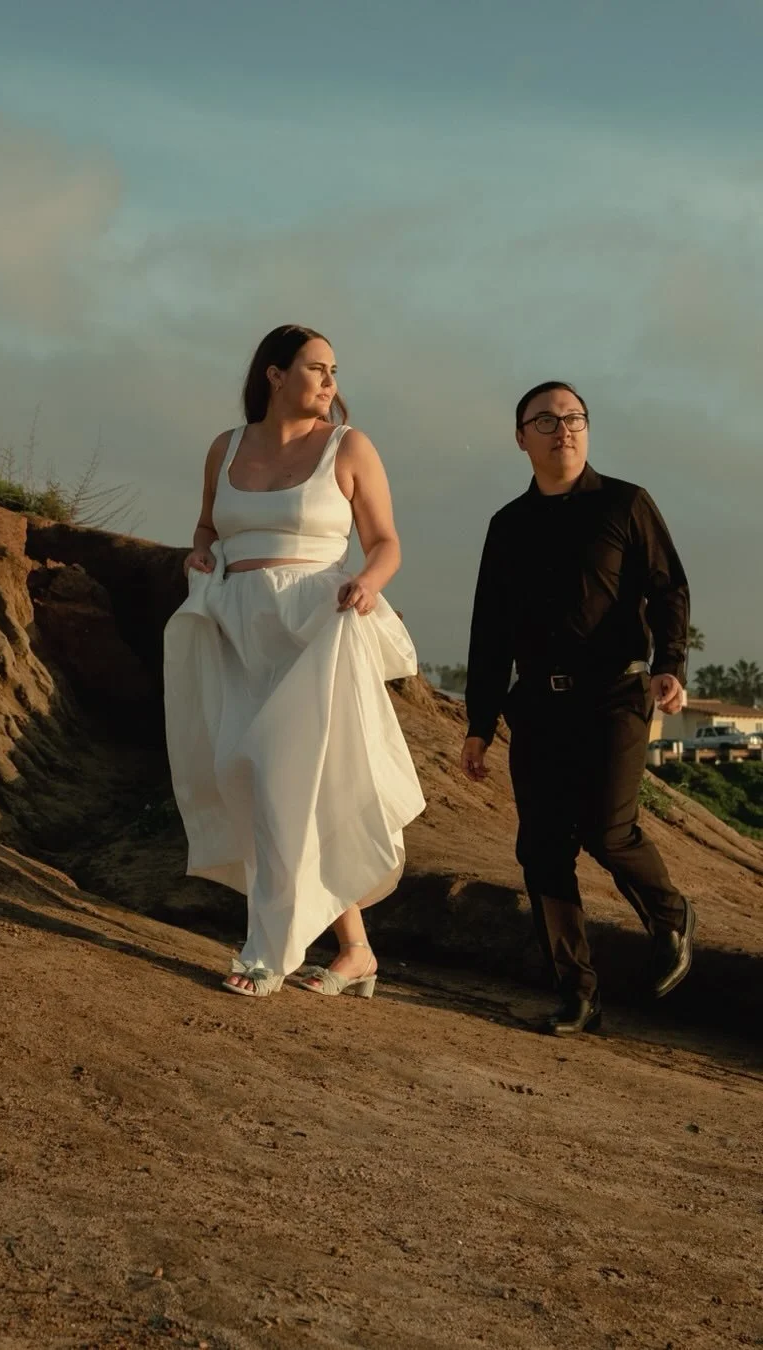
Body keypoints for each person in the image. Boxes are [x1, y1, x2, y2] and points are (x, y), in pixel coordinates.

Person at [163, 325, 426, 997]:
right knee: (248, 782)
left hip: (317, 624)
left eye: (335, 369)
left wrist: (368, 582)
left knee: (282, 782)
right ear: (275, 375)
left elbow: (387, 542)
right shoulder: (226, 447)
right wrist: (198, 553)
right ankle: (357, 950)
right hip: (237, 625)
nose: (331, 381)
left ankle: (264, 955)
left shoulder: (349, 447)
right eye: (316, 368)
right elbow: (206, 526)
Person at [461, 381, 696, 1035]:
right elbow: (490, 631)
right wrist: (480, 724)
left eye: (574, 418)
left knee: (607, 826)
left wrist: (670, 664)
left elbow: (668, 587)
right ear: (521, 437)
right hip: (537, 704)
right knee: (541, 848)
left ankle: (670, 914)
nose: (563, 428)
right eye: (546, 419)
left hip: (616, 695)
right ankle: (577, 995)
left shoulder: (625, 504)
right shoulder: (507, 526)